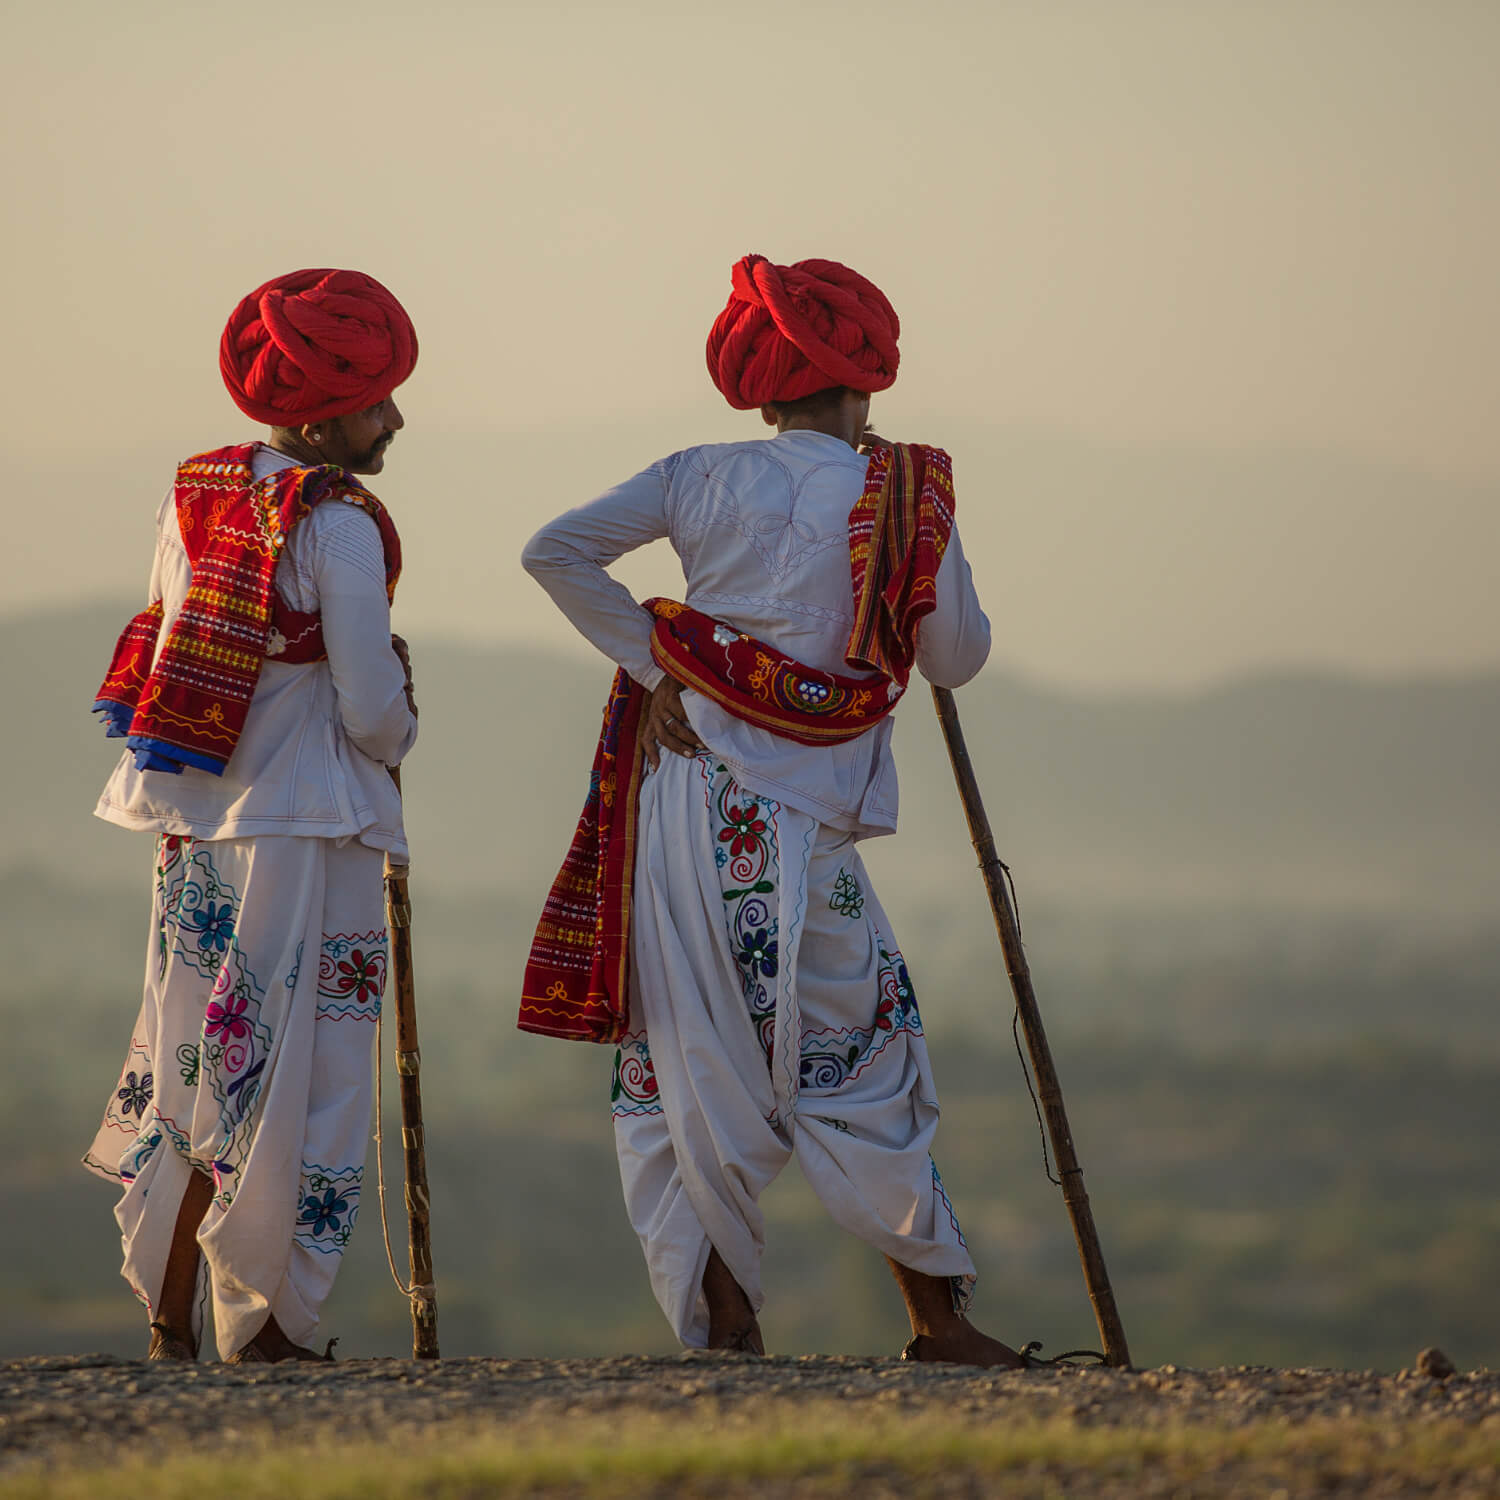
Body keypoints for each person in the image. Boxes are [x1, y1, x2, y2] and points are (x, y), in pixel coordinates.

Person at [520, 253, 1025, 1365]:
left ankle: (725, 1326)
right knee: (863, 1048)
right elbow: (957, 659)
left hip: (677, 804)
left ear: (759, 391)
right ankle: (937, 1321)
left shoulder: (695, 472)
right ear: (866, 384)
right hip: (793, 819)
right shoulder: (899, 495)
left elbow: (552, 552)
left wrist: (663, 669)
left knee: (685, 1053)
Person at [84, 268, 420, 1363]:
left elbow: (167, 627)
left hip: (196, 822)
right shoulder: (340, 524)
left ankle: (169, 1317)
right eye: (378, 402)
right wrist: (402, 729)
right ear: (326, 413)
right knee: (301, 1082)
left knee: (192, 1060)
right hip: (305, 831)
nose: (395, 420)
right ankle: (272, 1323)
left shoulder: (195, 489)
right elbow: (372, 706)